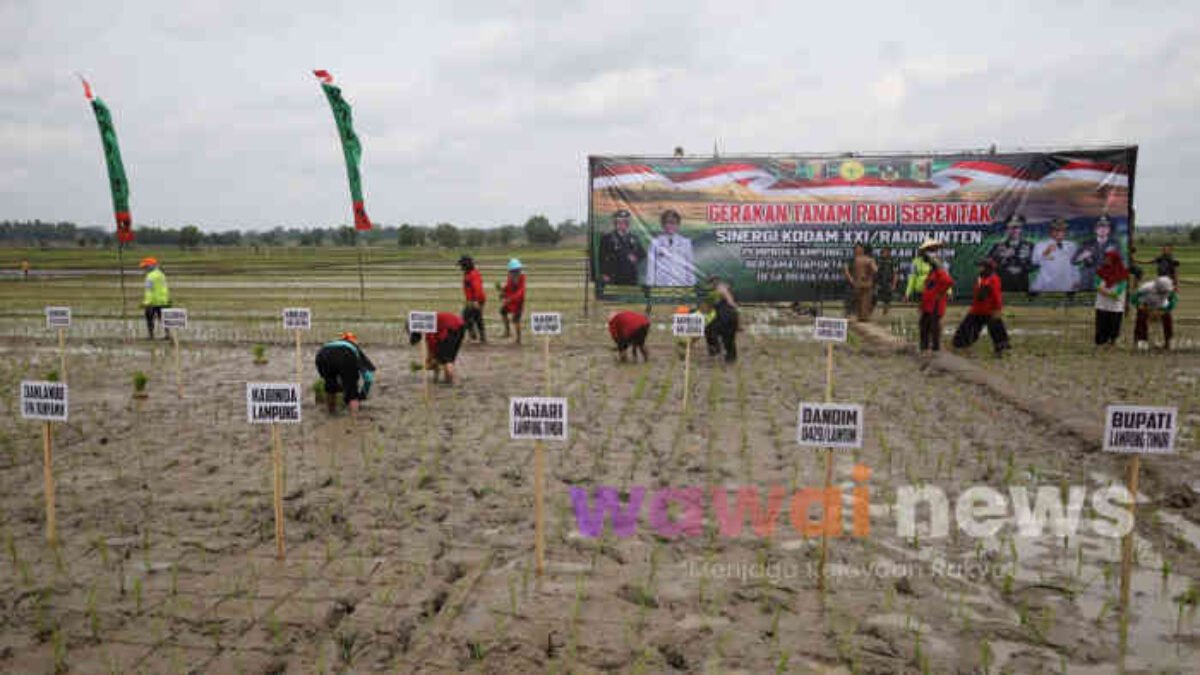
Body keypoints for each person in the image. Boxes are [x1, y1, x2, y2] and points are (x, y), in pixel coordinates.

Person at [952, 259, 1010, 356]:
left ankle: (1001, 348)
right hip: (978, 309)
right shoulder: (981, 277)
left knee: (994, 329)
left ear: (988, 267)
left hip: (989, 310)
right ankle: (960, 345)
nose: (979, 268)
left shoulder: (993, 279)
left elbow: (996, 295)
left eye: (982, 266)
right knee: (968, 328)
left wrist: (997, 309)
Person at [315, 332, 376, 417]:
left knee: (330, 386)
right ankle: (353, 419)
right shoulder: (354, 348)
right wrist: (362, 395)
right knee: (352, 391)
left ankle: (331, 413)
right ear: (353, 341)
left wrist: (337, 385)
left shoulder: (332, 343)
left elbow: (323, 373)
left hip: (322, 354)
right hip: (345, 355)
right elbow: (368, 377)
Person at [410, 312, 466, 384]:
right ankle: (448, 379)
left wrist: (428, 360)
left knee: (446, 359)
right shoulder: (429, 325)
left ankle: (452, 382)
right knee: (448, 357)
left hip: (450, 327)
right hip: (460, 325)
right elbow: (435, 356)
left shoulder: (427, 332)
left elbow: (433, 350)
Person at [917, 246, 954, 355]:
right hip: (928, 304)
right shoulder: (932, 273)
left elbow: (948, 281)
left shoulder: (939, 272)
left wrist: (941, 293)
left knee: (933, 327)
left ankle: (935, 348)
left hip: (935, 304)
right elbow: (928, 289)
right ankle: (925, 347)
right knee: (924, 325)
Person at [645, 209, 695, 287]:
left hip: (681, 284)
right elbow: (651, 267)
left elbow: (689, 266)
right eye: (668, 222)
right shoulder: (655, 242)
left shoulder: (686, 242)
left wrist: (691, 284)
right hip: (661, 284)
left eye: (674, 223)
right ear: (663, 224)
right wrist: (650, 285)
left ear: (678, 225)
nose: (671, 226)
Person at [987, 215, 1034, 294]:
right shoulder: (998, 246)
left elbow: (1035, 264)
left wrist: (1022, 268)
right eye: (1011, 227)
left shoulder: (1029, 246)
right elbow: (988, 263)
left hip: (1022, 285)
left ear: (1021, 229)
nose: (1014, 230)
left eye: (1017, 227)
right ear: (1007, 229)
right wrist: (1001, 257)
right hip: (1003, 285)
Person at [1030, 218, 1080, 293]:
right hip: (1046, 286)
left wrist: (1076, 279)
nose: (1059, 233)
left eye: (1062, 230)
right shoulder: (1040, 245)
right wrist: (1046, 252)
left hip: (1066, 285)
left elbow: (1074, 265)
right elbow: (1035, 262)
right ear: (1050, 231)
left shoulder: (1072, 245)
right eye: (1056, 230)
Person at [1072, 215, 1120, 292]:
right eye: (1100, 227)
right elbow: (1073, 261)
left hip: (1105, 281)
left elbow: (1120, 262)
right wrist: (1083, 256)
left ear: (1109, 229)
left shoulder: (1114, 245)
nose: (1103, 229)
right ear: (1095, 229)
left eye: (1106, 227)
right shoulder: (1086, 244)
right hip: (1087, 281)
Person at [598, 209, 645, 286]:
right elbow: (602, 257)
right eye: (619, 222)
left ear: (628, 223)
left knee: (630, 296)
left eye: (625, 222)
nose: (622, 224)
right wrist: (604, 273)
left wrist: (636, 257)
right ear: (615, 223)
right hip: (613, 275)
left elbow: (642, 253)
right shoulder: (607, 238)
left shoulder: (634, 238)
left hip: (631, 276)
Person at [1094, 250, 1129, 347]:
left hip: (1115, 303)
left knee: (1114, 322)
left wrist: (1109, 293)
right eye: (1105, 258)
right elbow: (1096, 283)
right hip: (1102, 303)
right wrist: (1101, 289)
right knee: (1102, 321)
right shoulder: (1101, 271)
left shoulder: (1122, 273)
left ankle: (1113, 340)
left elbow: (1121, 288)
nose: (1106, 260)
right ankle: (1101, 341)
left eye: (1108, 259)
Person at [1133, 276, 1177, 350]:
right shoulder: (1146, 288)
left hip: (1161, 305)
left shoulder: (1169, 290)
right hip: (1146, 304)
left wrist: (1164, 310)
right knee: (1141, 318)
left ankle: (1168, 340)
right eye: (1163, 291)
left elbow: (1173, 302)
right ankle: (1141, 340)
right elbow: (1134, 298)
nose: (1165, 293)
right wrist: (1140, 306)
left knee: (1168, 317)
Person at [703, 276, 739, 362]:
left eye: (710, 283)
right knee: (728, 337)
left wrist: (731, 303)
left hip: (726, 316)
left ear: (713, 282)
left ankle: (716, 350)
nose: (709, 286)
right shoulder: (718, 289)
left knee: (710, 330)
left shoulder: (720, 288)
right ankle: (730, 357)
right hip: (730, 316)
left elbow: (729, 299)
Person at [844, 244, 878, 322]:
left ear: (863, 250)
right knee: (863, 301)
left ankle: (861, 317)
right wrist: (869, 276)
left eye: (860, 249)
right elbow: (875, 270)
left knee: (861, 301)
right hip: (862, 283)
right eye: (857, 249)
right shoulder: (869, 260)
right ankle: (862, 317)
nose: (859, 250)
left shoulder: (857, 260)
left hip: (858, 283)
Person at [140, 257, 171, 340]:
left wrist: (147, 302)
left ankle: (151, 335)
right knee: (164, 319)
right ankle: (168, 334)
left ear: (150, 266)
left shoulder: (150, 277)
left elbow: (149, 291)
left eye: (145, 267)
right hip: (164, 301)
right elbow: (165, 288)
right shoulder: (161, 274)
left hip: (153, 302)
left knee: (149, 318)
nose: (144, 269)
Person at [458, 255, 486, 343]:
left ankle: (473, 336)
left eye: (461, 265)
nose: (460, 267)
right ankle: (479, 336)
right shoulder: (468, 274)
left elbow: (477, 288)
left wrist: (476, 301)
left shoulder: (473, 274)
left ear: (466, 265)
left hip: (476, 300)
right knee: (476, 317)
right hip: (472, 300)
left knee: (466, 317)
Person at [500, 258, 526, 343]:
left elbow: (520, 293)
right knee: (502, 311)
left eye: (515, 271)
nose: (513, 272)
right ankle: (507, 331)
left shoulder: (522, 278)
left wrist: (510, 299)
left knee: (516, 320)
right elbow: (508, 286)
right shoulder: (510, 277)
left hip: (518, 303)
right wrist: (503, 290)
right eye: (512, 271)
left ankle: (518, 339)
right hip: (510, 301)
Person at [874, 248, 899, 315]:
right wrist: (875, 283)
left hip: (888, 283)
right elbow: (875, 272)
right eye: (883, 252)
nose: (884, 253)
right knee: (874, 298)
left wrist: (894, 284)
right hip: (879, 282)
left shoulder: (893, 261)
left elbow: (895, 273)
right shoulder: (878, 260)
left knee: (887, 300)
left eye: (886, 252)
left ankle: (885, 313)